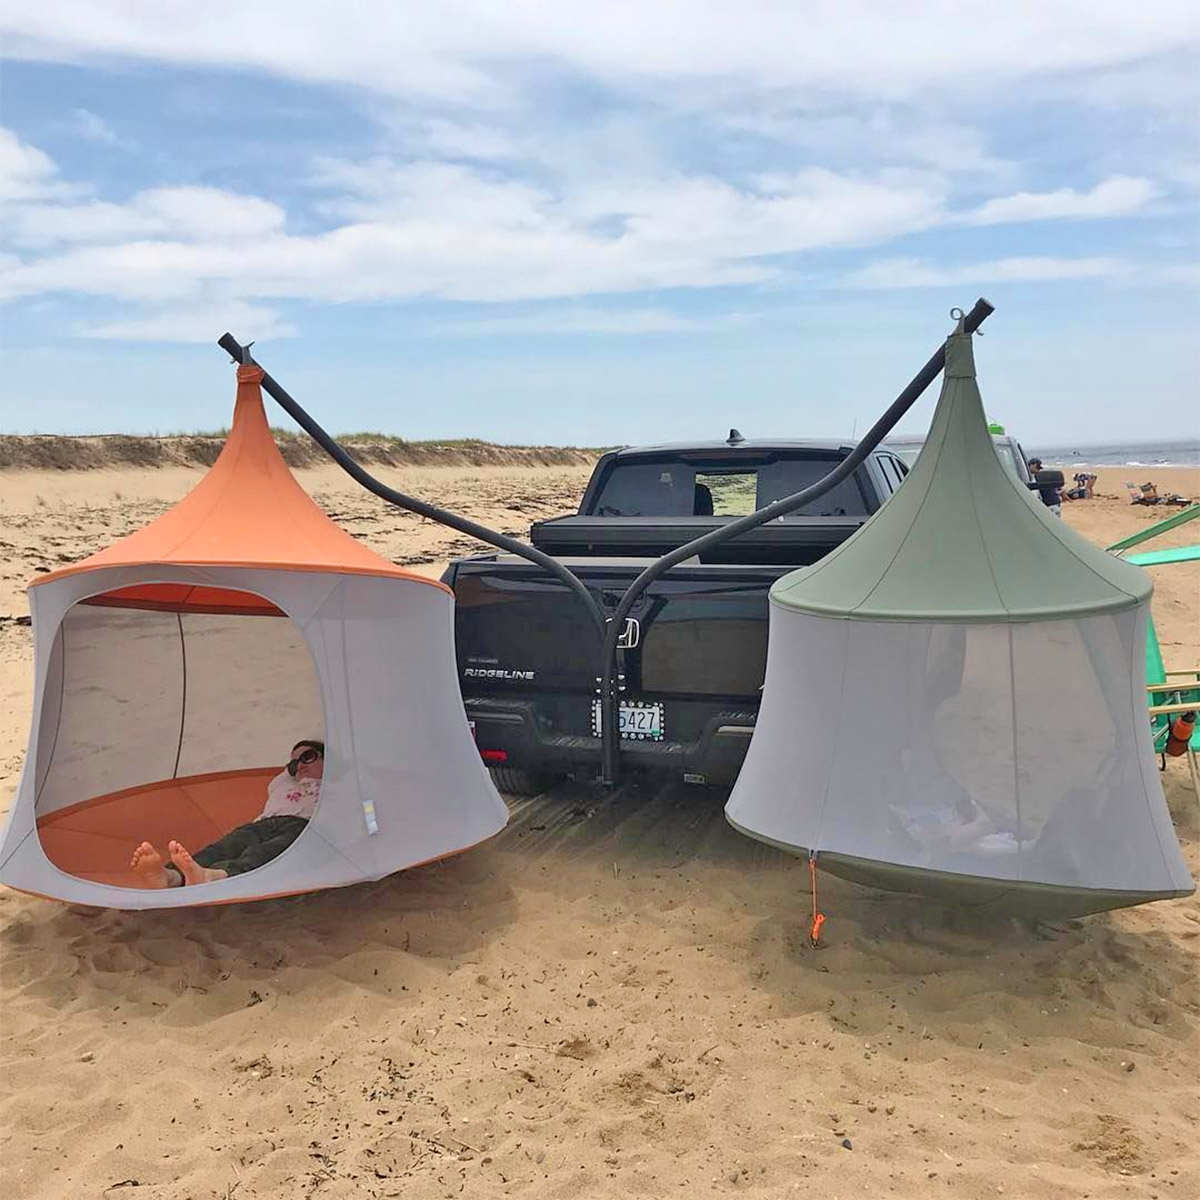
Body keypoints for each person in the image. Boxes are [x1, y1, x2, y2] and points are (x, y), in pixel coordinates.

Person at [130, 740, 324, 888]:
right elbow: (289, 772)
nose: (298, 766)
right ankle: (171, 876)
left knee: (263, 852)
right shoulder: (283, 783)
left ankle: (215, 875)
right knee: (225, 846)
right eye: (293, 764)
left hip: (302, 826)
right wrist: (298, 767)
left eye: (307, 757)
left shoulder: (333, 784)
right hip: (263, 823)